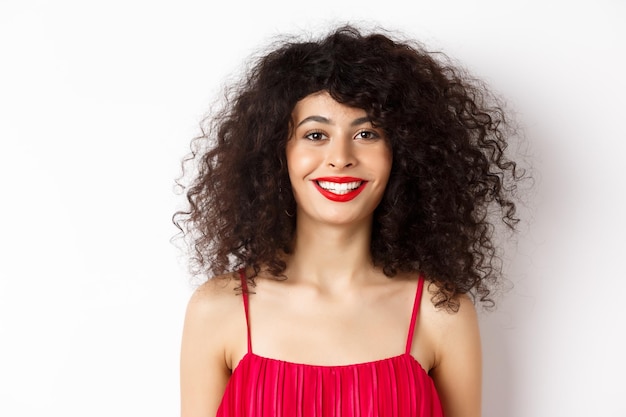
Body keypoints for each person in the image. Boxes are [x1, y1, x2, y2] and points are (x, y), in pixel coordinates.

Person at [175, 25, 523, 417]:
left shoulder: (442, 312)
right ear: (278, 154)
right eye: (315, 135)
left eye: (367, 133)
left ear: (403, 154)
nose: (340, 157)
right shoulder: (218, 309)